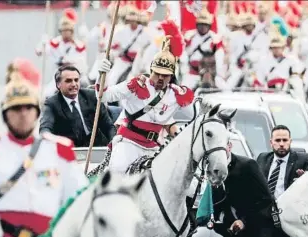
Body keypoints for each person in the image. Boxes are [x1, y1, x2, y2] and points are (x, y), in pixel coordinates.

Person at [0, 72, 89, 237]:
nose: (22, 114)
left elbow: (80, 200)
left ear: (37, 112)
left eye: (28, 108)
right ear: (5, 114)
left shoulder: (58, 150)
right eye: (16, 109)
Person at [96, 35, 195, 174]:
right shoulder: (136, 85)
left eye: (165, 75)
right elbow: (105, 95)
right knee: (117, 170)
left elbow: (196, 115)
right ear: (151, 70)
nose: (160, 78)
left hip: (155, 148)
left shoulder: (176, 94)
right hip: (129, 143)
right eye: (157, 73)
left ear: (172, 75)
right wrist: (101, 76)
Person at [39, 65, 115, 147]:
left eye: (76, 80)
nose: (74, 84)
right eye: (68, 81)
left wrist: (114, 144)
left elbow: (109, 126)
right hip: (70, 152)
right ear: (58, 84)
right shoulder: (51, 104)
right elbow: (45, 130)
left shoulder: (92, 96)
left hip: (97, 148)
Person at [35, 8, 88, 99]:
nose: (66, 33)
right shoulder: (55, 43)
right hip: (59, 74)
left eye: (68, 30)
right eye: (63, 30)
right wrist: (42, 43)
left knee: (86, 87)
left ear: (72, 31)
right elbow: (39, 52)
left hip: (75, 75)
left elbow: (82, 62)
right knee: (46, 95)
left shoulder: (78, 45)